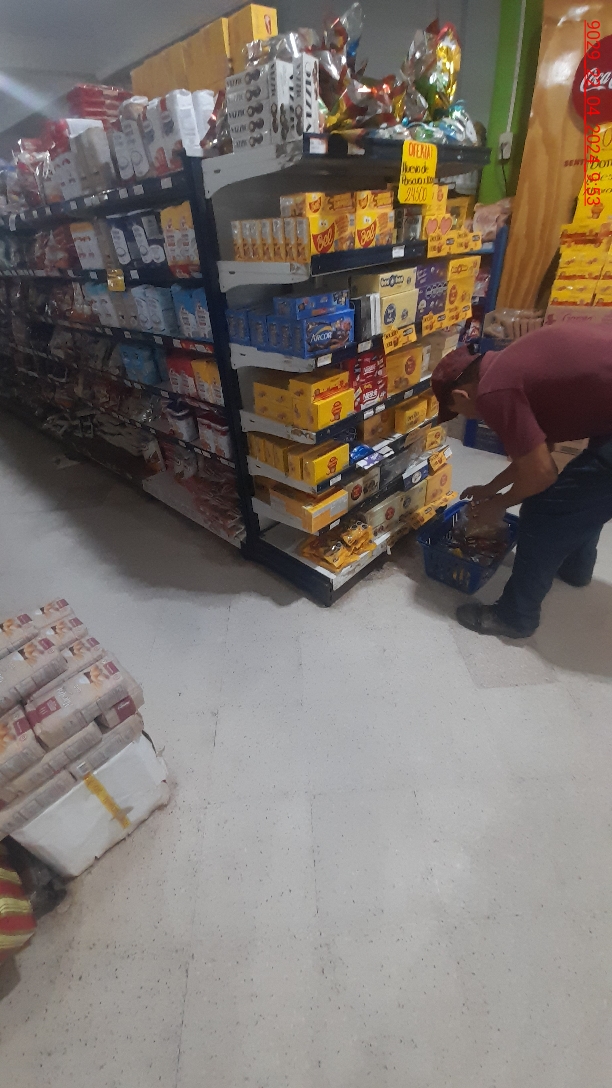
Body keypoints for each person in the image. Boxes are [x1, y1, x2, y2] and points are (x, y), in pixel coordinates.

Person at [431, 322, 612, 638]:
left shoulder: (493, 392)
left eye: (457, 411)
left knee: (546, 512)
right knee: (580, 494)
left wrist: (498, 505)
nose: (466, 417)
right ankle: (575, 568)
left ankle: (515, 617)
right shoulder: (508, 365)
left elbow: (542, 474)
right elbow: (540, 454)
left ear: (462, 394)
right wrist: (491, 489)